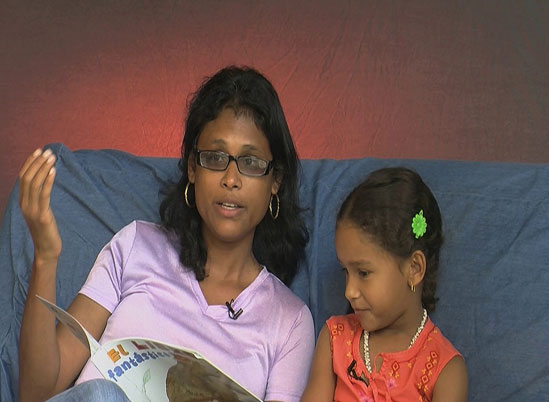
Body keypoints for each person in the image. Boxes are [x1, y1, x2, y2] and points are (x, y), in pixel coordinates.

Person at [17, 66, 315, 402]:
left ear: (275, 181)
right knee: (102, 394)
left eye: (250, 162)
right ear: (192, 168)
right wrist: (45, 256)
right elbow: (36, 394)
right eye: (215, 158)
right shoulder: (135, 247)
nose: (231, 178)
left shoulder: (289, 322)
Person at [301, 167, 468, 401]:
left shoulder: (445, 371)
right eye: (345, 272)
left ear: (414, 269)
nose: (349, 291)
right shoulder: (334, 339)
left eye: (364, 272)